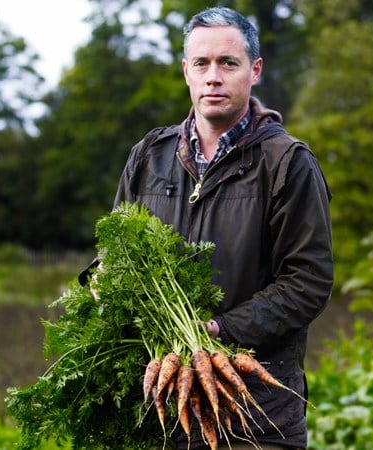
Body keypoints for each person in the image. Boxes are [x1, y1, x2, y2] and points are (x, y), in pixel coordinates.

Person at [89, 6, 333, 450]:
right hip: (160, 415)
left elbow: (308, 281)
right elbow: (112, 252)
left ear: (254, 70)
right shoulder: (149, 156)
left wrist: (218, 330)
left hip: (254, 417)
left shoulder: (286, 163)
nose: (213, 76)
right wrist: (102, 282)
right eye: (201, 63)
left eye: (228, 63)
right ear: (186, 71)